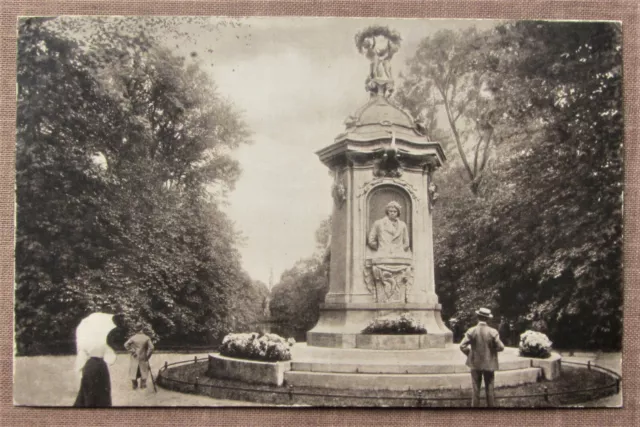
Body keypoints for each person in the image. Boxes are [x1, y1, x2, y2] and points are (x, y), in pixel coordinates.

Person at [459, 307, 505, 407]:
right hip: (489, 363)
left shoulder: (472, 331)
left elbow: (462, 346)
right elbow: (501, 347)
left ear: (478, 317)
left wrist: (470, 354)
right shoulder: (493, 332)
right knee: (490, 388)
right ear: (488, 319)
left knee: (475, 389)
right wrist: (492, 352)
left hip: (475, 363)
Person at [73, 312, 117, 407]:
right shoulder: (103, 342)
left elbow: (81, 359)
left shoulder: (85, 342)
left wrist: (79, 370)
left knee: (89, 390)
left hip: (90, 365)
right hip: (102, 366)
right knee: (103, 391)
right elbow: (112, 358)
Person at [124, 325, 155, 390]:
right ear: (142, 329)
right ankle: (143, 385)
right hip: (143, 356)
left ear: (136, 329)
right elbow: (152, 348)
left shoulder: (133, 337)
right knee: (143, 370)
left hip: (135, 356)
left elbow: (126, 345)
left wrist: (133, 351)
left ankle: (134, 385)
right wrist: (148, 356)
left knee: (134, 369)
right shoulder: (146, 337)